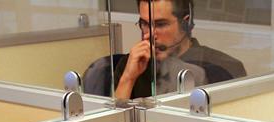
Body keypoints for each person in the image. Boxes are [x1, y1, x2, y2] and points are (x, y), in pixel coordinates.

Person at [85, 0, 247, 99]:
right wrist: (128, 78)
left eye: (161, 24)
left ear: (186, 23)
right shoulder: (132, 64)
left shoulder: (222, 68)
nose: (149, 34)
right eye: (145, 24)